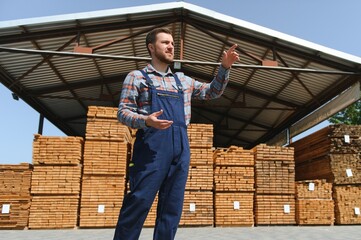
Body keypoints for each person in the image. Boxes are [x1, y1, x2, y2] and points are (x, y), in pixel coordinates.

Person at [114, 27, 239, 240]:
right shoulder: (137, 77)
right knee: (139, 201)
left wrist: (224, 68)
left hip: (180, 148)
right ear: (151, 47)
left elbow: (212, 92)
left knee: (171, 207)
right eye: (165, 43)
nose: (170, 46)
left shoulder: (184, 81)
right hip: (151, 148)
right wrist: (146, 121)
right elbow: (123, 112)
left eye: (172, 43)